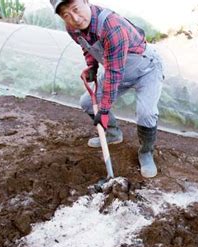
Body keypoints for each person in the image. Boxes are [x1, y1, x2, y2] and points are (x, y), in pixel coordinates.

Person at [50, 0, 164, 178]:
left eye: (76, 9)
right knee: (87, 102)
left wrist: (103, 110)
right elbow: (87, 48)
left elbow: (113, 72)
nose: (75, 18)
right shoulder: (72, 28)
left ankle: (146, 153)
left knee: (146, 113)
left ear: (85, 1)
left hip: (146, 69)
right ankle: (113, 134)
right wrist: (92, 67)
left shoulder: (111, 26)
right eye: (66, 15)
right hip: (117, 69)